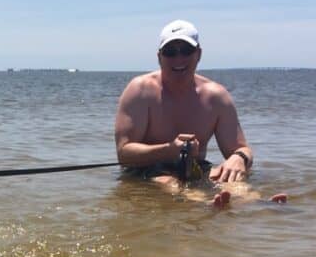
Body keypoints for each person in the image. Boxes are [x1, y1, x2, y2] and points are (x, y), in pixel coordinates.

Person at [114, 19, 286, 207]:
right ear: (159, 57)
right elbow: (124, 154)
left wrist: (239, 158)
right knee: (168, 182)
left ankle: (261, 204)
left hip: (195, 168)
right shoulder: (140, 90)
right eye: (170, 52)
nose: (178, 59)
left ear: (199, 54)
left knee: (228, 179)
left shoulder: (216, 96)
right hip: (146, 171)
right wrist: (168, 150)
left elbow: (241, 148)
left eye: (186, 51)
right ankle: (203, 204)